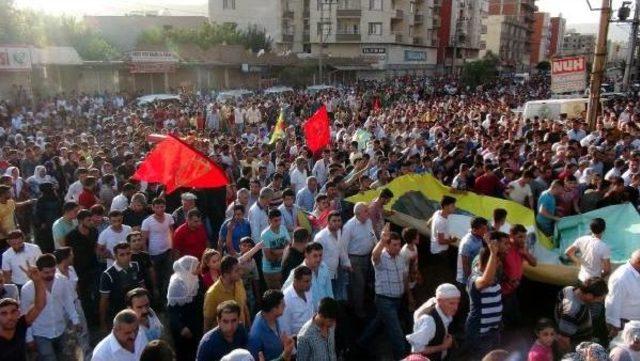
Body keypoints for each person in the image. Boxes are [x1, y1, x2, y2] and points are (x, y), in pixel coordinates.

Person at [358, 225, 410, 360]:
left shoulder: (401, 258)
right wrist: (381, 240)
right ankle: (401, 357)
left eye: (399, 245)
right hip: (384, 300)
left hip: (397, 300)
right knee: (396, 332)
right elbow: (374, 256)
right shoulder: (381, 257)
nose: (398, 247)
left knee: (378, 322)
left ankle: (361, 343)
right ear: (387, 245)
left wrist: (409, 296)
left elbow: (405, 278)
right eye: (394, 245)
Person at [20, 253, 80, 361]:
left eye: (53, 271)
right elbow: (25, 315)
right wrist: (29, 338)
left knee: (67, 357)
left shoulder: (62, 280)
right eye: (46, 272)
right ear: (38, 271)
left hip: (61, 328)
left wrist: (75, 320)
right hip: (40, 332)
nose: (50, 275)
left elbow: (68, 302)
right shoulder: (27, 289)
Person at [465, 233, 504, 357]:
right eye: (497, 261)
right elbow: (485, 281)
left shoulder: (494, 276)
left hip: (493, 330)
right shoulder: (475, 278)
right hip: (480, 332)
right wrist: (493, 254)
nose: (498, 263)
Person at [0, 259, 46, 361]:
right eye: (3, 313)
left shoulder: (20, 325)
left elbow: (39, 305)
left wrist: (37, 281)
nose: (9, 317)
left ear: (18, 313)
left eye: (13, 312)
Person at [406, 283, 461, 361]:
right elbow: (417, 350)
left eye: (457, 303)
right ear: (439, 301)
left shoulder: (445, 310)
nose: (456, 308)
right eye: (451, 303)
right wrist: (443, 346)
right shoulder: (429, 321)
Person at [54, 247, 91, 361]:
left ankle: (87, 355)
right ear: (65, 258)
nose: (73, 257)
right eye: (71, 255)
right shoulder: (54, 275)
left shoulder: (71, 269)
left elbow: (76, 286)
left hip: (75, 304)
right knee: (66, 334)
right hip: (62, 308)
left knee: (83, 330)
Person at [99, 242, 145, 332]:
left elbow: (142, 287)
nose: (126, 257)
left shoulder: (136, 266)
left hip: (137, 312)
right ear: (115, 256)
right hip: (119, 315)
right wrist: (103, 322)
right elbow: (104, 300)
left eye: (128, 253)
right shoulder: (108, 274)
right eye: (122, 255)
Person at [555, 277, 608, 354]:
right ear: (589, 295)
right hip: (574, 344)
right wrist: (569, 355)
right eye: (599, 299)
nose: (600, 301)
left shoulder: (569, 289)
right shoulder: (572, 311)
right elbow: (563, 339)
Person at [341, 202, 377, 319]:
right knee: (359, 285)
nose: (368, 212)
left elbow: (372, 236)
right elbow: (343, 246)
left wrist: (378, 246)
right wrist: (346, 263)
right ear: (358, 213)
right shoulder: (349, 227)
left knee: (363, 283)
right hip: (354, 259)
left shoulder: (368, 221)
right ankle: (358, 311)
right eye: (366, 211)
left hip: (367, 257)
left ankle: (356, 304)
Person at [167, 256, 203, 361]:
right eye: (197, 266)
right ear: (188, 268)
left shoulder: (194, 278)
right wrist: (181, 328)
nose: (200, 267)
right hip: (183, 328)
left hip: (195, 323)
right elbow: (172, 311)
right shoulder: (177, 284)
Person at [203, 256, 249, 332]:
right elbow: (207, 322)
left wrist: (248, 327)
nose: (241, 272)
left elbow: (244, 306)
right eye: (236, 271)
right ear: (225, 274)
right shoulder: (212, 294)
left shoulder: (239, 282)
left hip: (241, 334)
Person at [141, 198, 174, 302]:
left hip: (168, 251)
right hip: (154, 254)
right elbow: (143, 240)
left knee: (168, 276)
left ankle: (167, 299)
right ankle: (157, 300)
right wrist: (146, 256)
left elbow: (172, 232)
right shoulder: (147, 221)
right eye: (158, 207)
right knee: (156, 278)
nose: (160, 209)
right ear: (153, 208)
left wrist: (172, 248)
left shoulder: (169, 217)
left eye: (162, 207)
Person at [282, 242, 333, 310]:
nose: (318, 259)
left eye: (320, 255)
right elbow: (284, 293)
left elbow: (329, 291)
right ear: (306, 255)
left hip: (324, 313)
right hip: (307, 315)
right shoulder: (297, 272)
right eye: (315, 256)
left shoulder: (324, 267)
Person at [605, 250, 640, 339]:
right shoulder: (621, 278)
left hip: (635, 322)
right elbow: (613, 304)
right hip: (624, 324)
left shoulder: (636, 272)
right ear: (638, 263)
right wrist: (615, 328)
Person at [565, 218, 611, 283]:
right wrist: (601, 276)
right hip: (593, 283)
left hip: (581, 278)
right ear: (604, 230)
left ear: (590, 229)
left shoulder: (581, 239)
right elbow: (607, 270)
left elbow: (568, 252)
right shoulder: (604, 247)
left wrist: (578, 262)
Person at [296, 297, 339, 361]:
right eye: (331, 321)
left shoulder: (330, 326)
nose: (333, 324)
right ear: (321, 316)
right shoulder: (305, 336)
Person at [248, 289, 286, 360]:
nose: (285, 306)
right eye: (282, 304)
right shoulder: (256, 335)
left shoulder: (273, 316)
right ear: (274, 309)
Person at [260, 209, 290, 289]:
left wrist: (276, 252)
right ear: (269, 220)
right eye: (276, 220)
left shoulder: (283, 228)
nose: (278, 223)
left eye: (280, 220)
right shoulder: (265, 234)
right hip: (270, 271)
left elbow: (289, 246)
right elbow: (269, 258)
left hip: (282, 268)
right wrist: (284, 252)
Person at [281, 265, 314, 336]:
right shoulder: (286, 299)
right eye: (306, 281)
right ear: (296, 281)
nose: (310, 284)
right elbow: (285, 327)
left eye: (310, 281)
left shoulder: (308, 289)